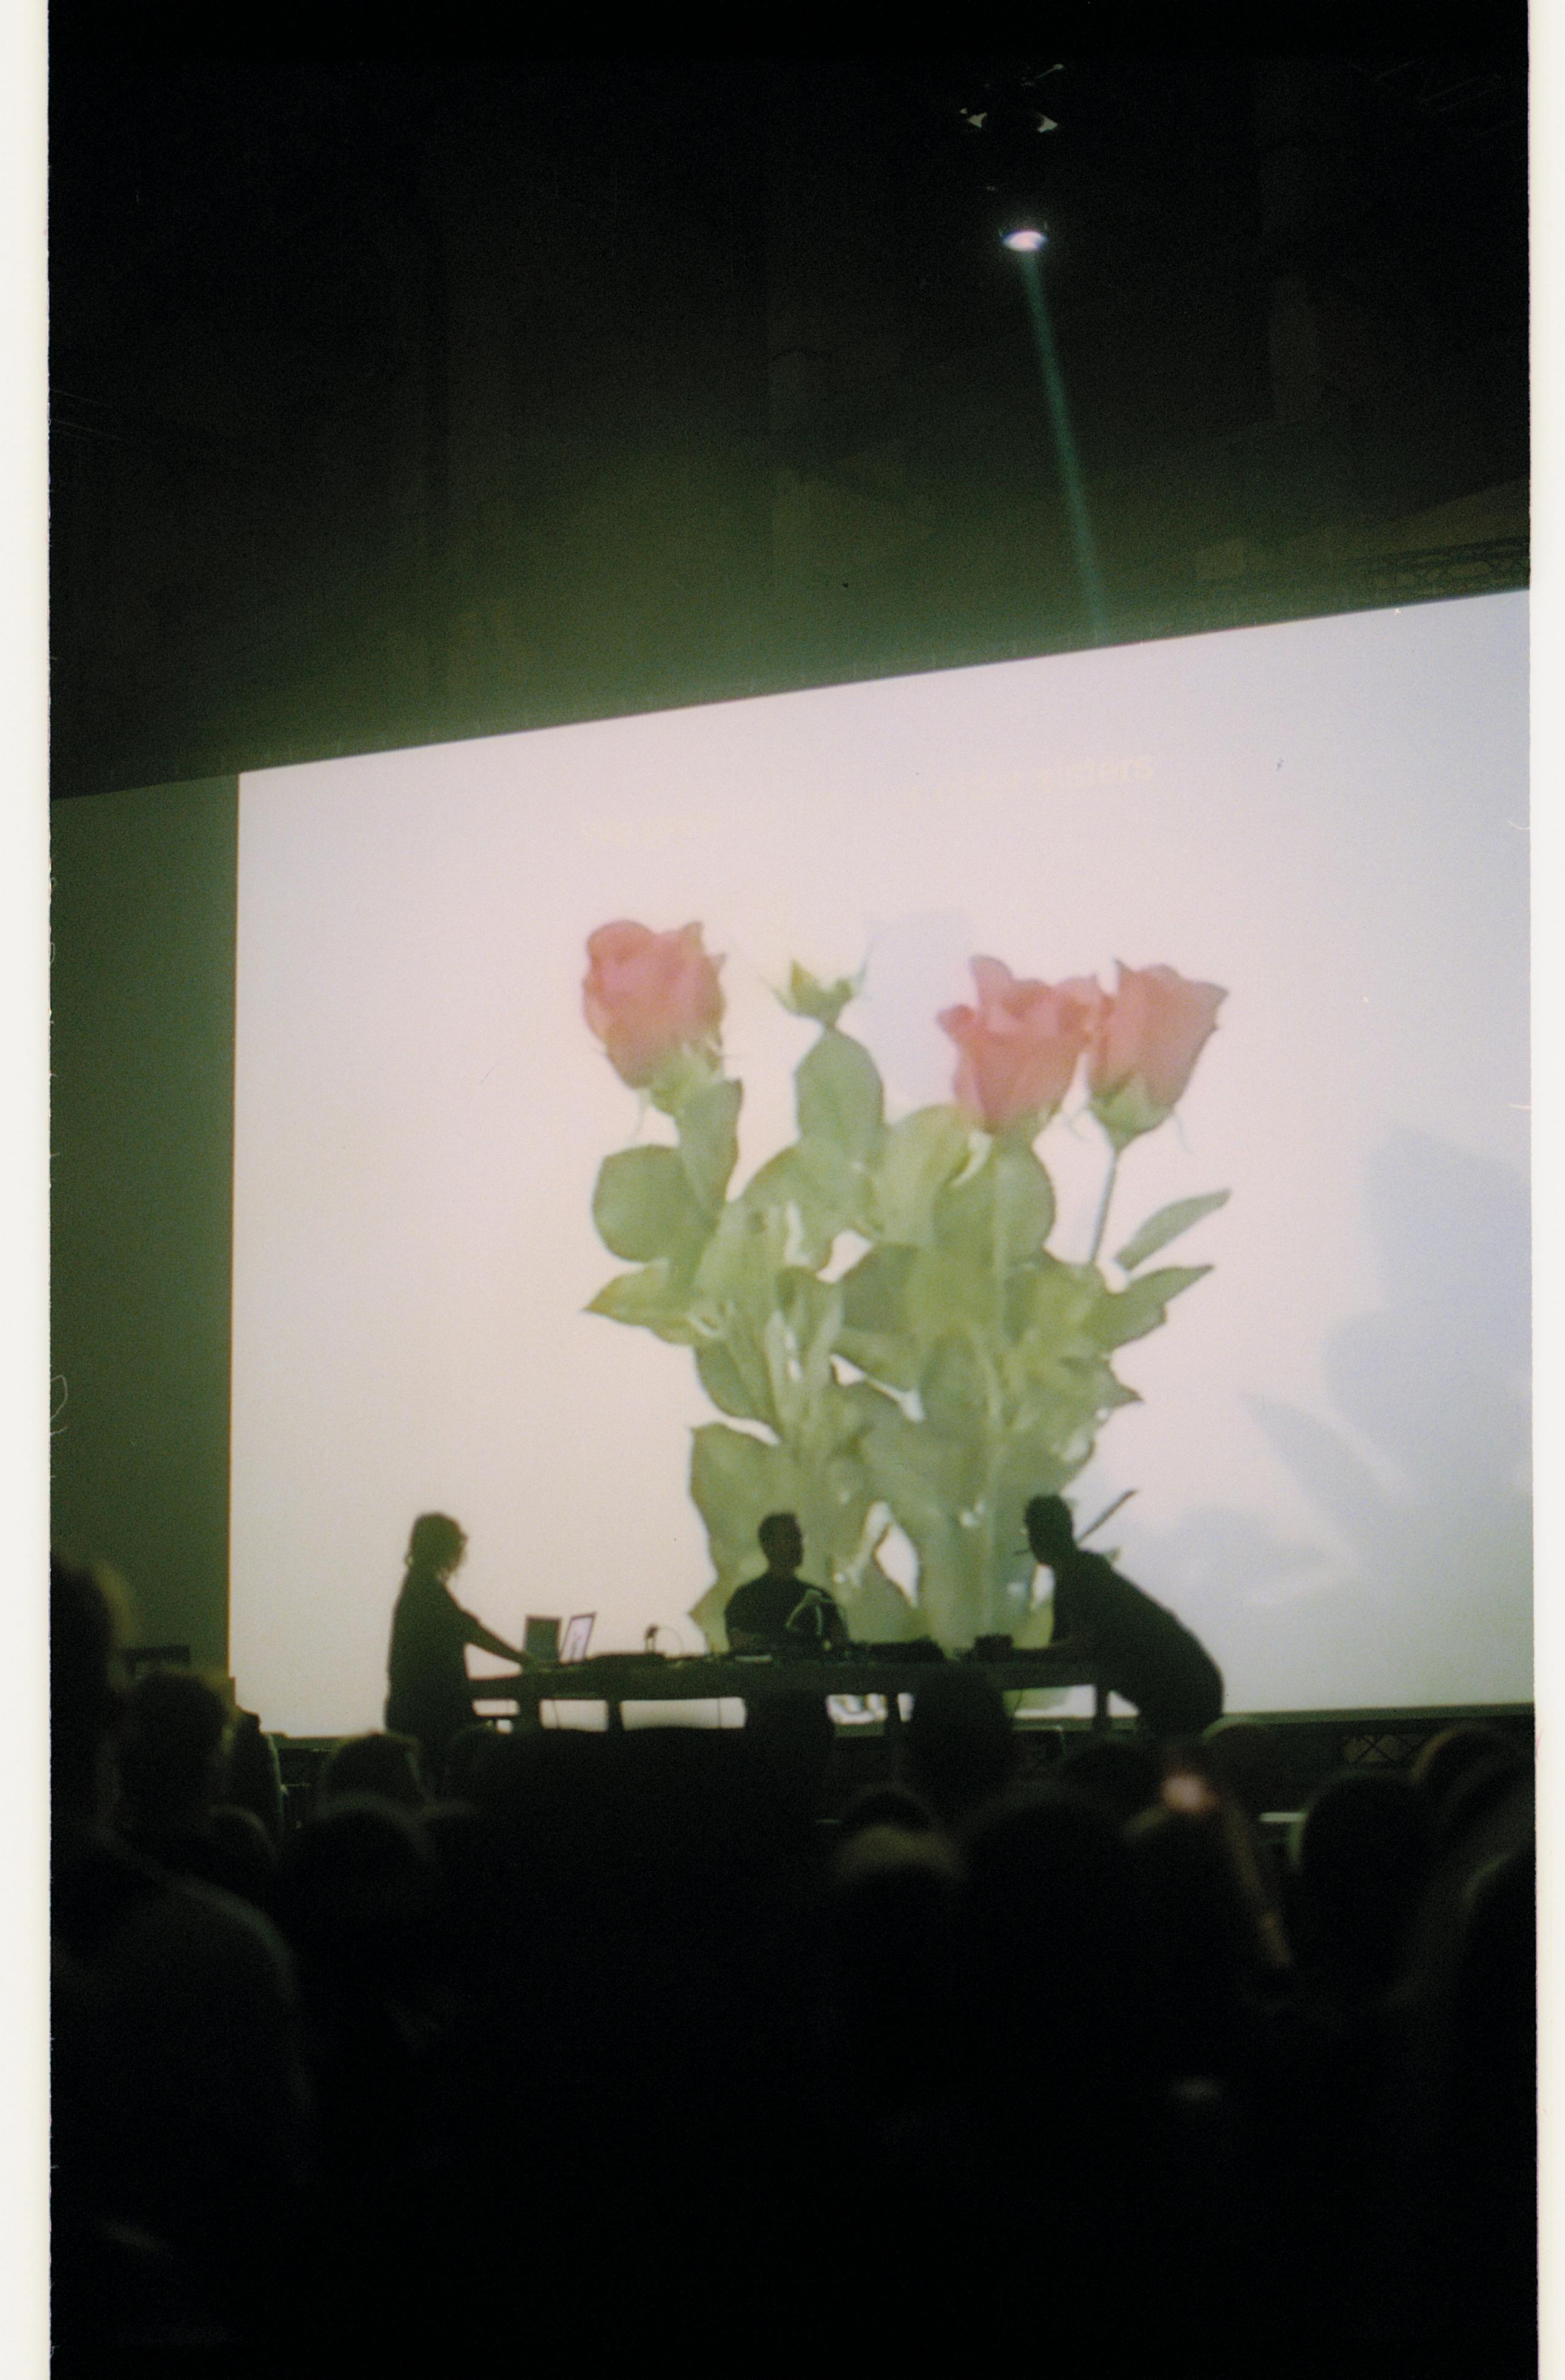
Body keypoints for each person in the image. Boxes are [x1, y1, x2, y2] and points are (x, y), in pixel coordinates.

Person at [1024, 1494, 1223, 1742]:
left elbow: (1079, 1646)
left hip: (1184, 1692)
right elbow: (1067, 1648)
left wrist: (1015, 1656)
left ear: (1038, 1536)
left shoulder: (1078, 1575)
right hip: (1191, 1687)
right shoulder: (1078, 1572)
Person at [385, 1513, 523, 1777]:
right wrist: (525, 1659)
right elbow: (471, 1631)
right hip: (433, 1717)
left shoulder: (418, 1586)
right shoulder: (426, 1590)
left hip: (413, 1713)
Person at [724, 1513, 848, 1654]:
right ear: (768, 1546)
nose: (798, 1545)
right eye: (790, 1538)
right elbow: (739, 1644)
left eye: (799, 1538)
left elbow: (842, 1648)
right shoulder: (745, 1600)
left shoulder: (820, 1600)